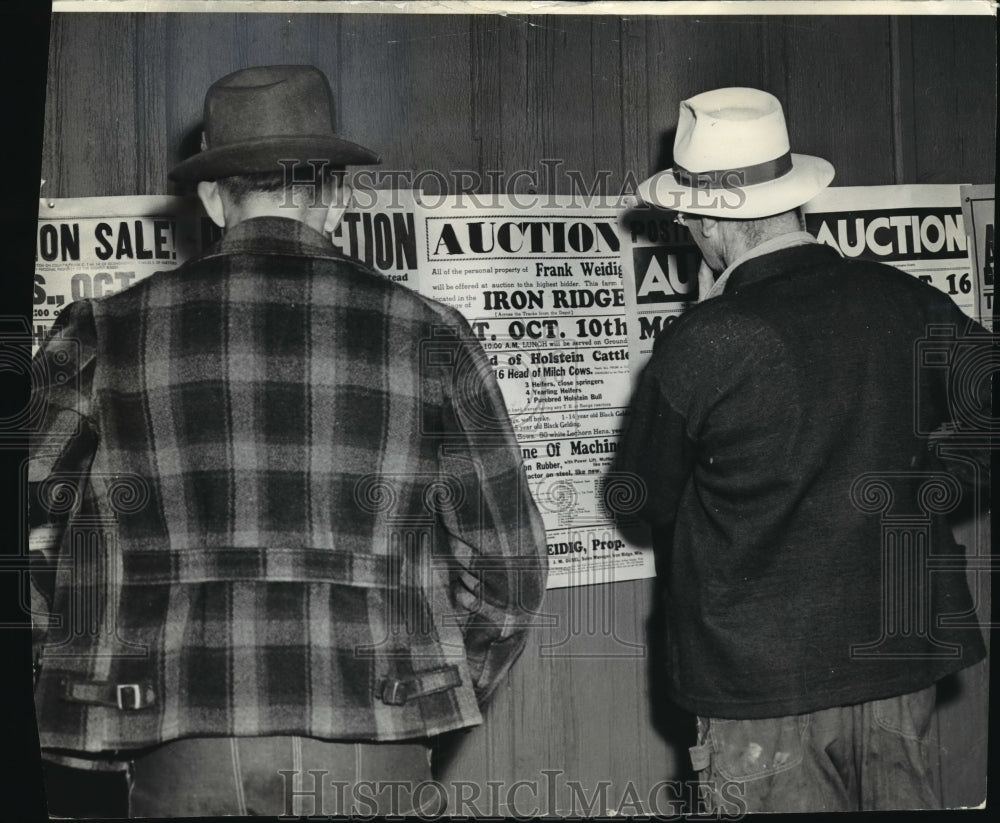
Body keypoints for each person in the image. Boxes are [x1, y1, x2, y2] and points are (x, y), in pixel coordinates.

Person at [28, 64, 547, 817]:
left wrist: (68, 650)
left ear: (211, 199)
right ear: (336, 197)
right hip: (375, 735)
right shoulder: (431, 334)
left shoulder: (106, 330)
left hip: (179, 742)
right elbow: (511, 567)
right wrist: (431, 680)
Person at [616, 87, 988, 812]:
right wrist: (936, 479)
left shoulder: (705, 340)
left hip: (761, 683)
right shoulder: (902, 300)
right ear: (794, 199)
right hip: (898, 660)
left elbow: (641, 494)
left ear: (704, 222)